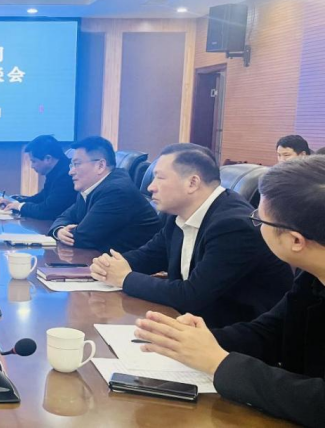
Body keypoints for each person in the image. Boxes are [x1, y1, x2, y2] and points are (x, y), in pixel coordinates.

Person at [134, 156, 325, 427]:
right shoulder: (311, 275)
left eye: (260, 220)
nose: (255, 224)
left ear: (296, 241)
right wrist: (195, 341)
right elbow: (270, 332)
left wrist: (220, 363)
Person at [90, 144, 292, 327]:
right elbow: (149, 256)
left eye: (160, 178)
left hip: (234, 337)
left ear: (192, 183)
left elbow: (192, 295)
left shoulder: (233, 226)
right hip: (192, 323)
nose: (151, 187)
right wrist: (108, 265)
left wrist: (125, 278)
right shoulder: (179, 215)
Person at [49, 136, 160, 253]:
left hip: (133, 262)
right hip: (105, 257)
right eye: (71, 165)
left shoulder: (117, 192)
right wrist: (59, 230)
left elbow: (82, 238)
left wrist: (65, 233)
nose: (71, 172)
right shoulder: (91, 188)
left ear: (100, 166)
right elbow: (64, 217)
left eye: (77, 164)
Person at [0, 135, 76, 220]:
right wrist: (14, 203)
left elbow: (47, 211)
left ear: (48, 159)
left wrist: (20, 206)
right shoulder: (57, 170)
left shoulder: (66, 175)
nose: (32, 166)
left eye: (33, 161)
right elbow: (42, 197)